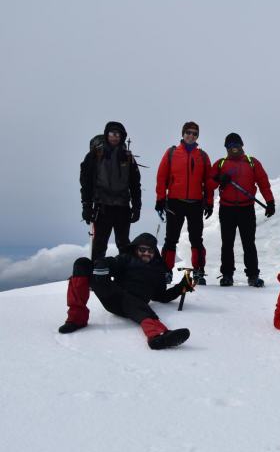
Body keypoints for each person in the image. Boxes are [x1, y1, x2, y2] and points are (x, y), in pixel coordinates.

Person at [57, 233, 194, 350]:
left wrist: (182, 286)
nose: (146, 253)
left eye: (150, 250)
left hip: (135, 306)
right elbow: (112, 263)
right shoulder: (126, 259)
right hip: (113, 295)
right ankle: (76, 319)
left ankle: (157, 337)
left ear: (155, 252)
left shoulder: (158, 272)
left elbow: (161, 296)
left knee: (133, 301)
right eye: (142, 249)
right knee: (82, 263)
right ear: (135, 249)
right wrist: (102, 264)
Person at [210, 132, 276, 287]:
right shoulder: (220, 164)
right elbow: (209, 184)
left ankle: (253, 275)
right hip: (226, 208)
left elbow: (263, 183)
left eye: (236, 145)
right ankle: (227, 275)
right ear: (226, 148)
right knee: (227, 243)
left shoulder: (252, 163)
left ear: (242, 146)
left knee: (249, 243)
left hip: (247, 208)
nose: (234, 148)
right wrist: (220, 180)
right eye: (230, 146)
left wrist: (270, 201)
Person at [155, 121, 215, 284]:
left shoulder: (202, 156)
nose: (191, 135)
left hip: (195, 203)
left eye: (195, 133)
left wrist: (209, 202)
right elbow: (161, 177)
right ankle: (166, 271)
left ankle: (198, 272)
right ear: (183, 134)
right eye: (188, 132)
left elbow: (208, 181)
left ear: (197, 136)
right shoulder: (172, 153)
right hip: (175, 202)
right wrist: (160, 199)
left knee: (197, 239)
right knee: (171, 239)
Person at [79, 121, 141, 260]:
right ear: (107, 134)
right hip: (102, 207)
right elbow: (86, 183)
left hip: (123, 207)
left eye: (118, 134)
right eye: (112, 133)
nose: (115, 136)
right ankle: (97, 276)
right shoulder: (94, 155)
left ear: (122, 136)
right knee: (100, 245)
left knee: (124, 244)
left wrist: (137, 207)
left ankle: (125, 278)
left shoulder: (128, 157)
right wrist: (87, 206)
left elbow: (135, 184)